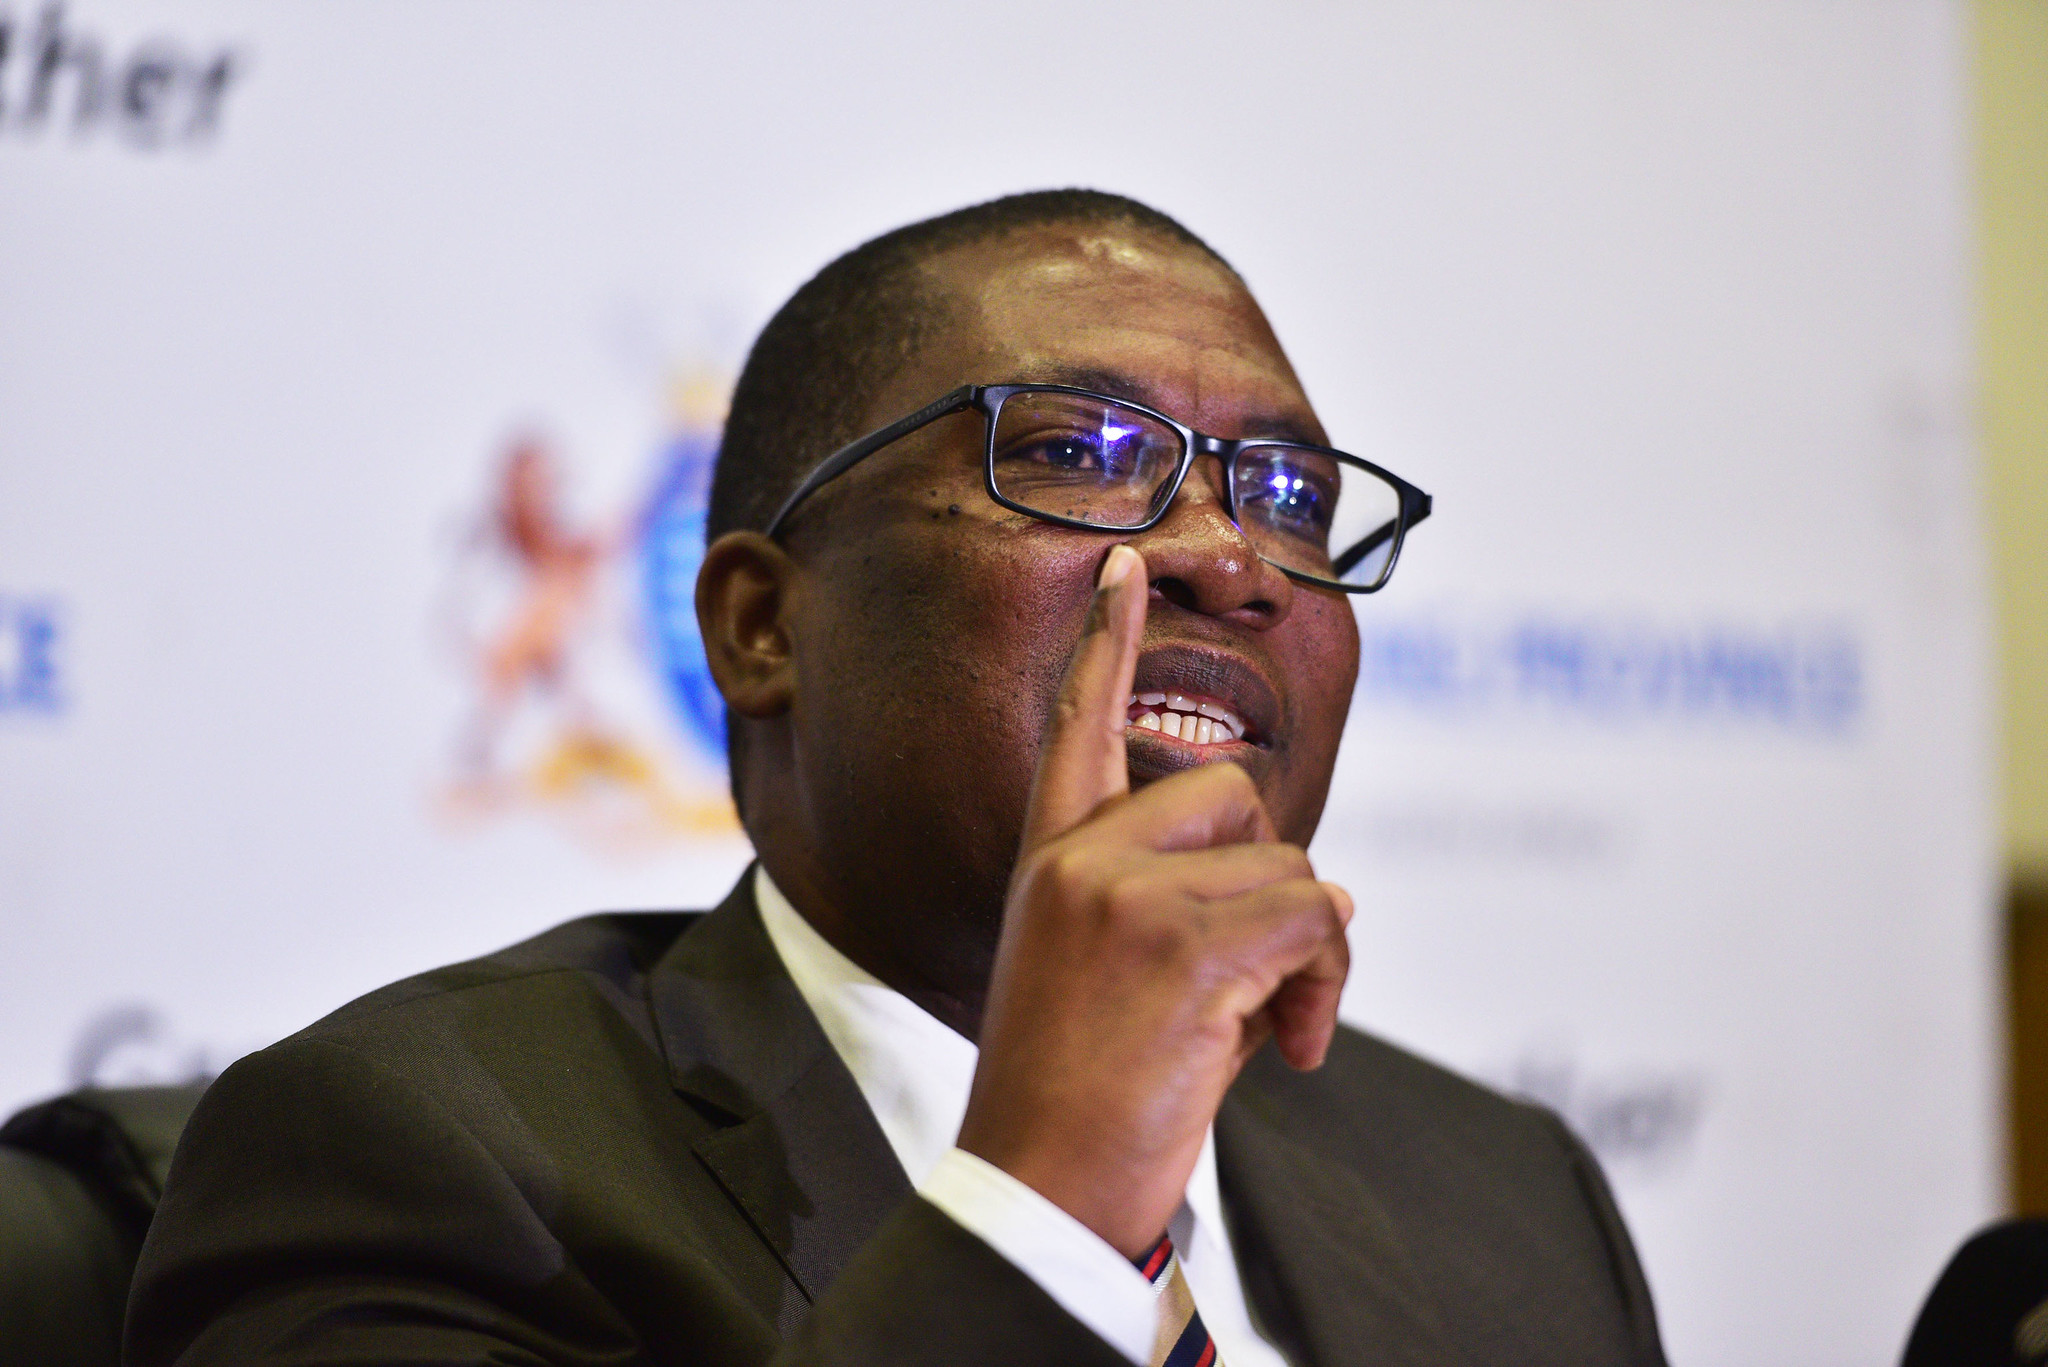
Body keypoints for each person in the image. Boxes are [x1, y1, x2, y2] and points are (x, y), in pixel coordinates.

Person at [126, 190, 1667, 1367]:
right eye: (1077, 453)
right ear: (762, 625)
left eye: (1292, 496)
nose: (1232, 558)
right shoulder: (417, 1161)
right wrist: (1053, 1208)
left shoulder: (1503, 1199)